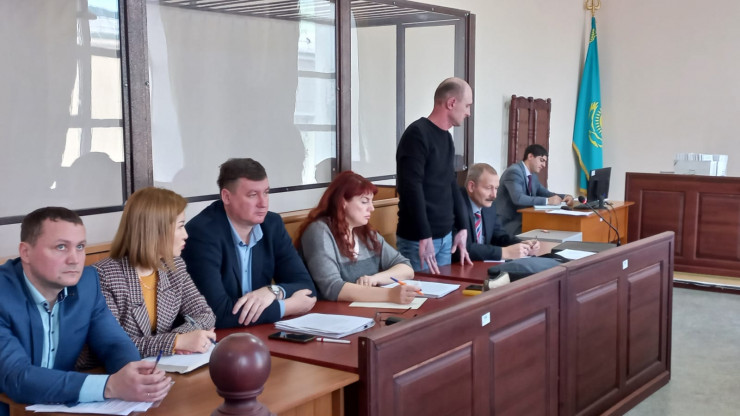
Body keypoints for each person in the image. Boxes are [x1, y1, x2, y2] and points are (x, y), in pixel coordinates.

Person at [0, 207, 171, 415]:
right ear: (26, 252)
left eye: (80, 247)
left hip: (57, 407)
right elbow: (16, 378)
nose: (74, 259)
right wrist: (110, 386)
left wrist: (135, 374)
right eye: (61, 247)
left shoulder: (87, 283)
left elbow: (114, 343)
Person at [181, 158, 316, 328]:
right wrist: (286, 307)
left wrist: (273, 291)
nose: (263, 203)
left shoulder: (272, 225)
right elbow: (215, 313)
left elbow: (306, 287)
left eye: (266, 192)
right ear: (226, 197)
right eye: (253, 195)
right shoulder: (202, 233)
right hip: (213, 337)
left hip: (257, 331)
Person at [92, 187, 216, 359]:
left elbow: (205, 314)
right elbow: (113, 345)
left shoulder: (174, 266)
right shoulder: (104, 276)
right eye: (180, 226)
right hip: (115, 370)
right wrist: (175, 342)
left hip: (161, 365)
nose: (186, 235)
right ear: (155, 230)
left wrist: (180, 340)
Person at [296, 171, 416, 303]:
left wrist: (375, 279)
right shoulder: (319, 231)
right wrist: (389, 295)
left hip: (363, 309)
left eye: (371, 202)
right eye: (364, 202)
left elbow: (406, 268)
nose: (371, 208)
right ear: (343, 202)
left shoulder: (365, 232)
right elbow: (332, 288)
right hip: (330, 311)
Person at [395, 77, 473, 274]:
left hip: (445, 237)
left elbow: (451, 184)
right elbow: (410, 188)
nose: (468, 113)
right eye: (467, 106)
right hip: (418, 240)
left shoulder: (446, 138)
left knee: (445, 292)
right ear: (451, 103)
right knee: (420, 293)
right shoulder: (417, 134)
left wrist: (463, 227)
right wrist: (424, 234)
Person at [459, 163, 562, 280]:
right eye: (488, 188)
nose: (494, 195)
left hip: (479, 268)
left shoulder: (488, 206)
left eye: (496, 188)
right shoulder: (456, 206)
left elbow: (499, 236)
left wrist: (522, 244)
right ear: (471, 187)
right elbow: (462, 248)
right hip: (457, 270)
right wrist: (504, 252)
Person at [496, 144, 574, 235]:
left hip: (524, 219)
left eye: (545, 162)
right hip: (508, 223)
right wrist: (548, 201)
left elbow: (544, 193)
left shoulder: (532, 175)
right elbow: (518, 198)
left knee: (551, 229)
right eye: (541, 160)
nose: (544, 165)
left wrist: (565, 197)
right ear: (530, 156)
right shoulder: (514, 172)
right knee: (546, 232)